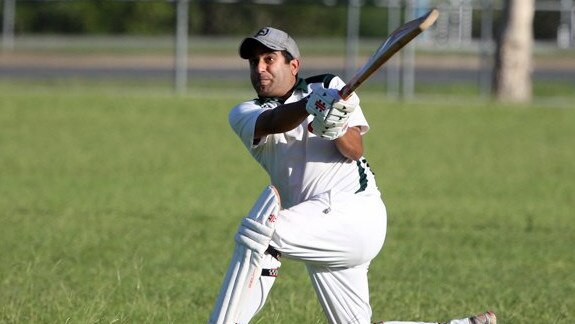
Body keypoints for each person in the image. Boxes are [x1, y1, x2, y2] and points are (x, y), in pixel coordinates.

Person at [209, 27, 496, 324]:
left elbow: (354, 150)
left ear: (293, 65)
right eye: (254, 62)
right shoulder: (244, 112)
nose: (260, 69)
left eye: (269, 59)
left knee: (263, 234)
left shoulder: (329, 85)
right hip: (319, 224)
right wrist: (309, 107)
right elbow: (273, 121)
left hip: (353, 210)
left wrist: (337, 128)